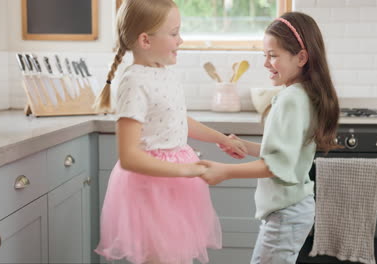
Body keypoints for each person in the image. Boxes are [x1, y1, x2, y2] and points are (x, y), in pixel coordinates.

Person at [93, 0, 247, 263]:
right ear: (145, 40)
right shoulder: (134, 82)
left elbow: (178, 121)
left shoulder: (164, 73)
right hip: (151, 188)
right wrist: (186, 170)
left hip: (177, 184)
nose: (181, 40)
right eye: (174, 33)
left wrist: (222, 138)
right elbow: (129, 156)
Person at [199, 11, 340, 264]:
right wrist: (248, 147)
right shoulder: (304, 95)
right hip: (295, 208)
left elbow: (276, 166)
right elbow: (286, 153)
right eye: (265, 55)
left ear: (301, 58)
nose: (265, 63)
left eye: (273, 56)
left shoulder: (290, 100)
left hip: (286, 214)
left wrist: (225, 171)